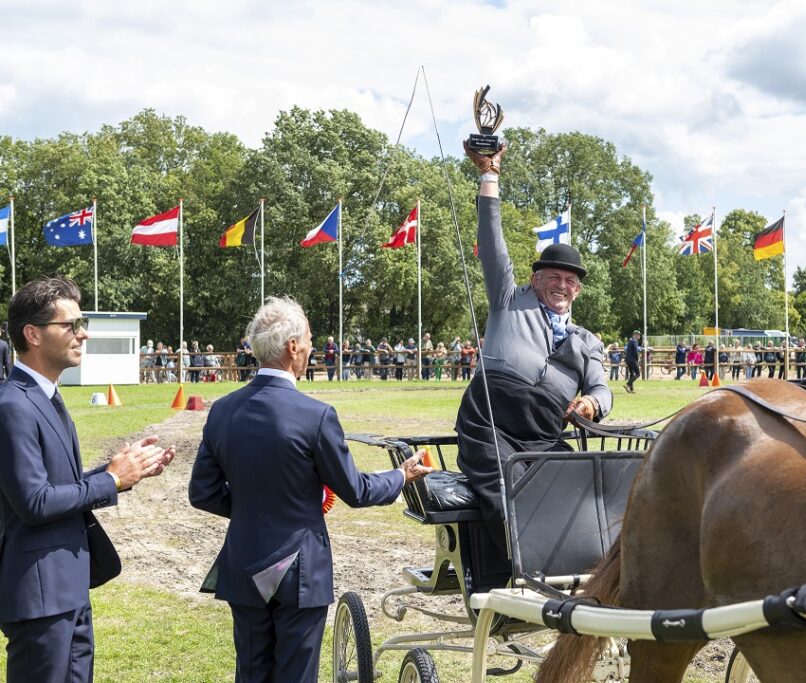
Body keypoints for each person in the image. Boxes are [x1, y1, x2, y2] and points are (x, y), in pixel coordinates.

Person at [189, 296, 431, 683]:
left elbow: (202, 492)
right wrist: (400, 476)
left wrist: (256, 507)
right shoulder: (316, 415)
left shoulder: (222, 410)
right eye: (310, 339)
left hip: (243, 559)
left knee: (250, 673)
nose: (313, 347)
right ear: (292, 347)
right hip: (299, 568)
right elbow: (354, 490)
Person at [0, 277, 175, 683]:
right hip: (39, 597)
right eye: (70, 325)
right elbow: (34, 503)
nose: (83, 334)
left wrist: (123, 472)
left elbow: (59, 484)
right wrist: (110, 480)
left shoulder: (45, 396)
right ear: (33, 334)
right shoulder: (14, 406)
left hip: (67, 588)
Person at [456, 141, 611, 579]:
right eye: (555, 277)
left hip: (544, 434)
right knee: (504, 490)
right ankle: (508, 579)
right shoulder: (508, 300)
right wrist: (490, 175)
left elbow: (601, 387)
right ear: (535, 279)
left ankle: (574, 579)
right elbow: (491, 243)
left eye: (571, 280)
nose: (563, 285)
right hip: (492, 423)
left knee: (579, 493)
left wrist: (592, 404)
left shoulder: (586, 342)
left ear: (578, 290)